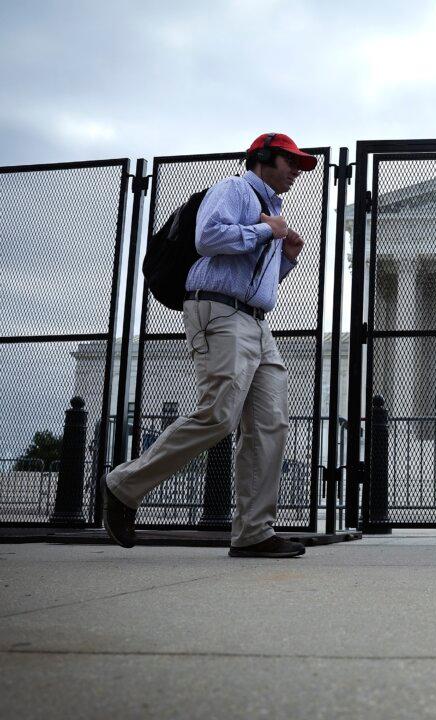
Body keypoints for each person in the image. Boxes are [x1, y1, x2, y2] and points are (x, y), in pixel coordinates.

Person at [102, 132, 316, 558]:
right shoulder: (235, 189)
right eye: (290, 162)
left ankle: (254, 532)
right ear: (262, 159)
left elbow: (256, 282)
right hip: (218, 312)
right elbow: (208, 238)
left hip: (255, 321)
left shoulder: (273, 212)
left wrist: (287, 256)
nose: (296, 172)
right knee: (218, 416)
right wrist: (263, 230)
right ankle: (124, 484)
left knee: (270, 423)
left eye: (300, 166)